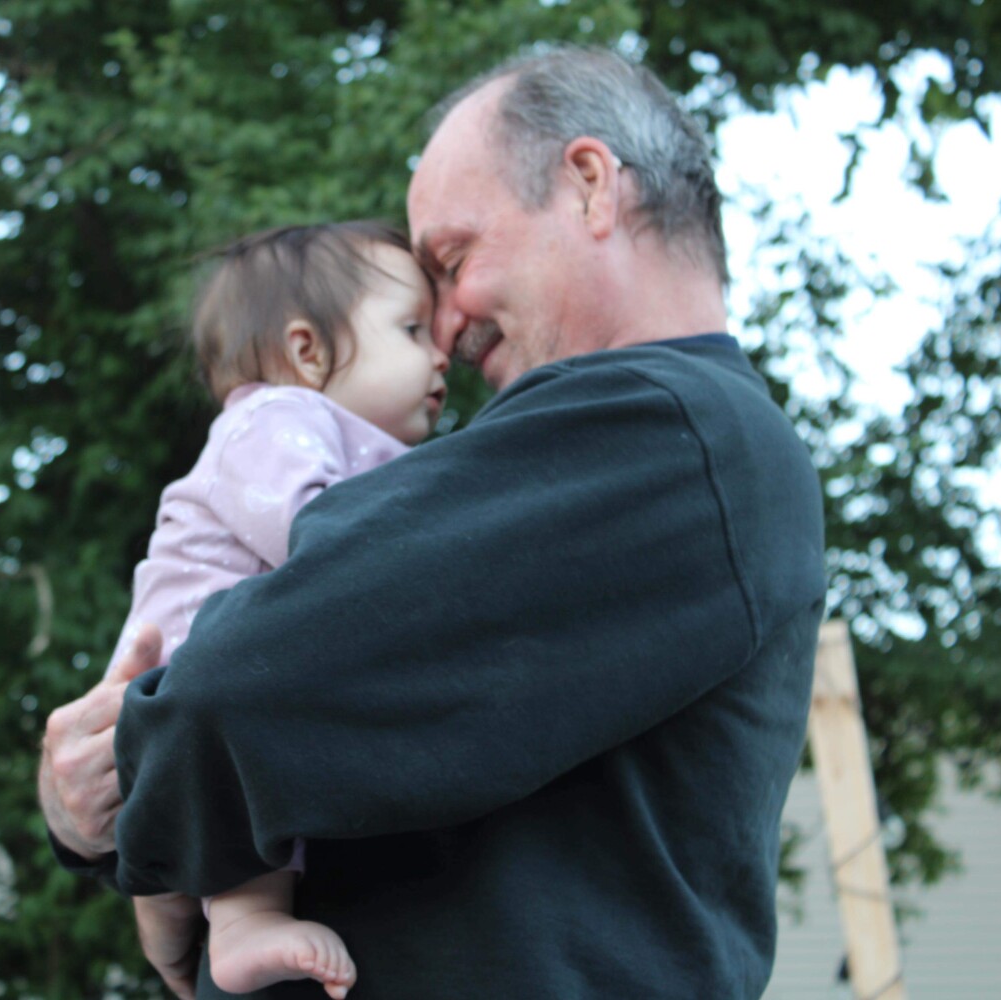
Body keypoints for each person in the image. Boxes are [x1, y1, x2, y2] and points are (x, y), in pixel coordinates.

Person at [41, 46, 827, 999]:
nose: (446, 325)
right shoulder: (618, 446)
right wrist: (99, 800)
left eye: (454, 261)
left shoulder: (671, 430)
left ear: (588, 186)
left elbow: (253, 679)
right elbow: (240, 691)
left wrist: (135, 777)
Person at [100, 221, 447, 1000]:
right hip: (188, 670)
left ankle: (179, 902)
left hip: (176, 726)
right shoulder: (276, 419)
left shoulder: (340, 433)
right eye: (411, 329)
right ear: (307, 351)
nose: (441, 352)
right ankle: (244, 921)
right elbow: (314, 540)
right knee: (253, 763)